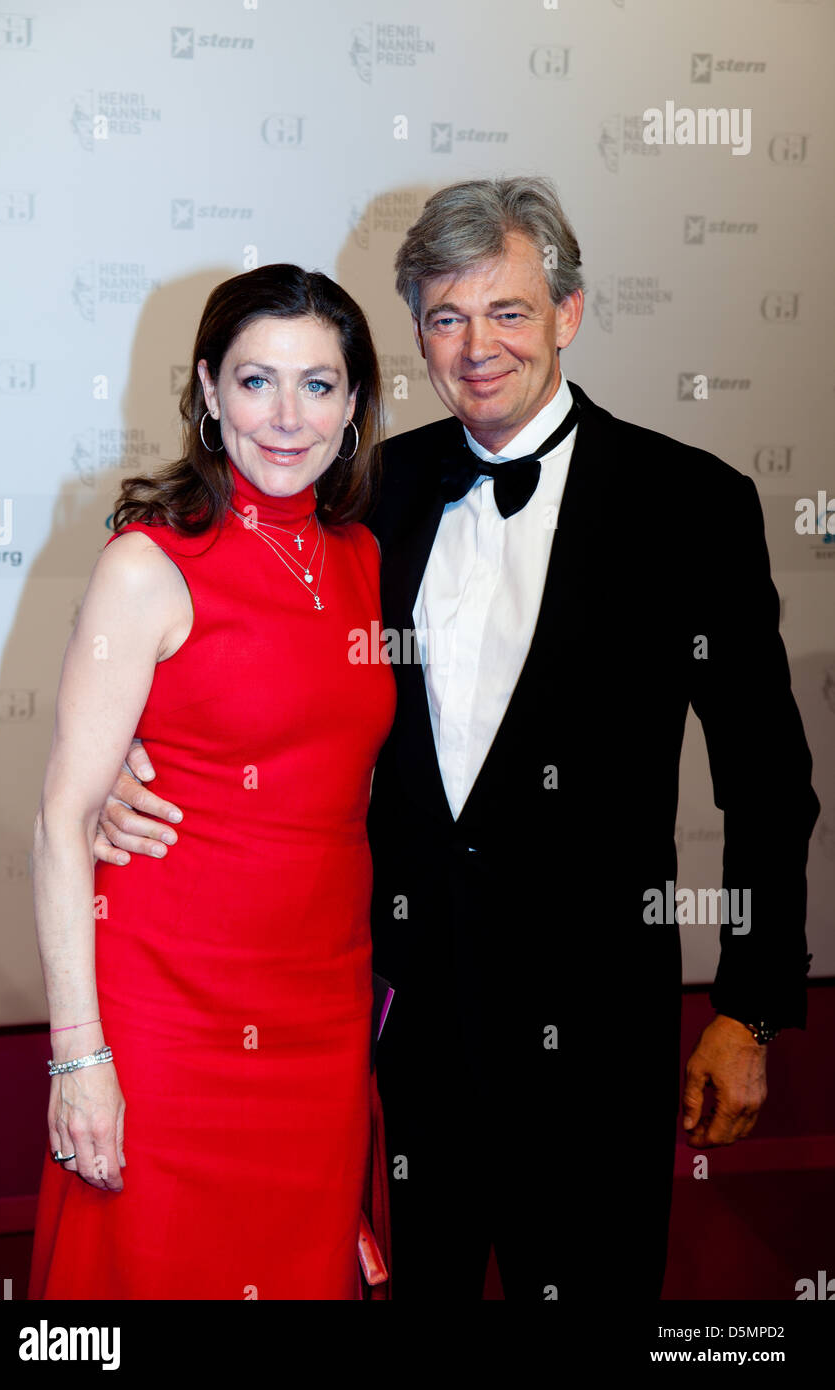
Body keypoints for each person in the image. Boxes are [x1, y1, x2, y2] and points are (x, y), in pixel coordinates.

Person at [96, 177, 820, 1302]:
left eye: (509, 311)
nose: (476, 346)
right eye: (443, 316)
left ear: (568, 314)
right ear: (417, 335)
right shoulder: (365, 493)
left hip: (592, 1033)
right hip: (398, 1030)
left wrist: (747, 1004)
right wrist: (111, 776)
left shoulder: (690, 506)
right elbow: (256, 678)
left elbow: (765, 778)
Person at [28, 265, 396, 1300]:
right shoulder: (149, 564)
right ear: (205, 387)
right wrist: (76, 1057)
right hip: (166, 1020)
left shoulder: (367, 557)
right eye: (254, 381)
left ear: (355, 402)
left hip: (321, 1025)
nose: (286, 417)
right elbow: (63, 822)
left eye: (318, 385)